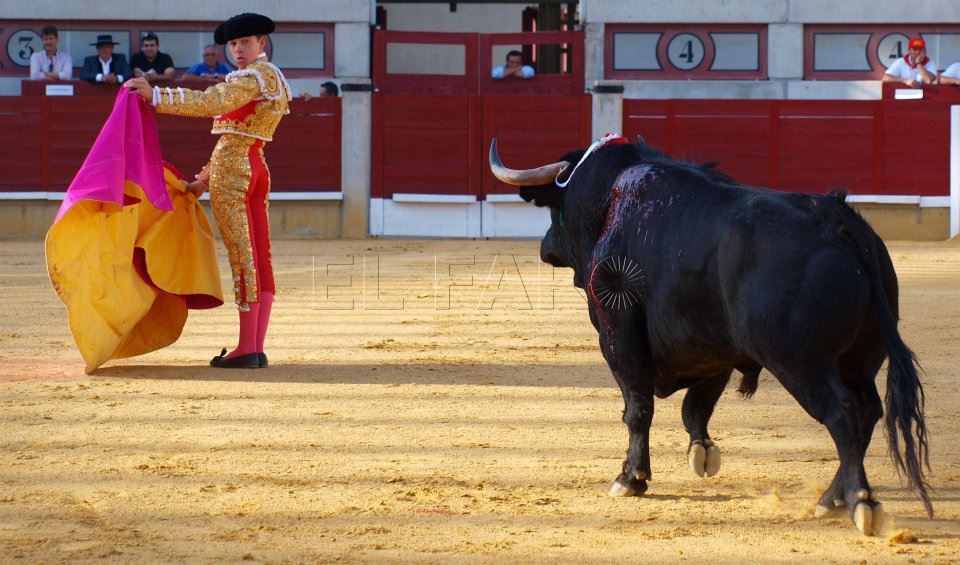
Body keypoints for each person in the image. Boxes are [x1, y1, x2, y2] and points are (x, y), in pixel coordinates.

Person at [124, 12, 292, 369]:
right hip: (255, 167)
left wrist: (158, 96)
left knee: (244, 258)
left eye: (244, 43)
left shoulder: (251, 77)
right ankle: (255, 347)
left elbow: (211, 102)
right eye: (232, 44)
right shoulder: (272, 77)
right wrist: (203, 179)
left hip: (236, 174)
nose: (237, 50)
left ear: (261, 43)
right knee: (259, 257)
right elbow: (237, 136)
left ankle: (248, 347)